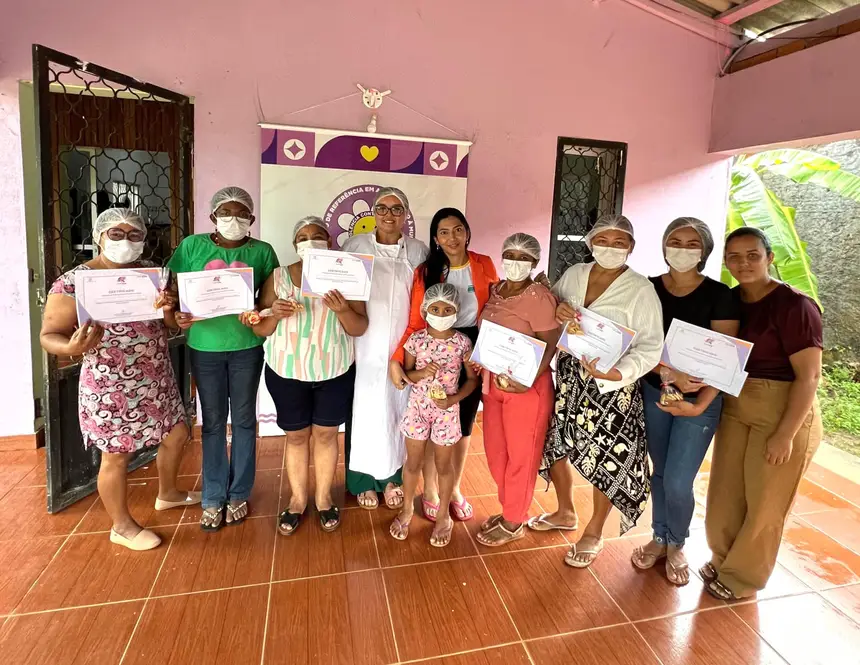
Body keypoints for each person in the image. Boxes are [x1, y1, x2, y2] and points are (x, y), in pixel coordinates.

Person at [40, 208, 199, 551]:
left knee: (177, 433)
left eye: (134, 235)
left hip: (156, 375)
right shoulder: (73, 282)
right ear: (99, 237)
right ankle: (121, 526)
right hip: (108, 382)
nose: (125, 242)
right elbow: (49, 335)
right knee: (116, 455)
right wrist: (71, 345)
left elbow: (170, 324)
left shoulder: (155, 276)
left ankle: (168, 493)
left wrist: (175, 313)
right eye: (116, 234)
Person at [534, 214, 663, 567]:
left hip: (611, 385)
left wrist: (618, 371)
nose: (610, 248)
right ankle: (565, 512)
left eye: (620, 242)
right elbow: (551, 313)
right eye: (603, 241)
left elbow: (651, 347)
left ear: (632, 247)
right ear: (591, 243)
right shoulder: (575, 275)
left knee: (606, 454)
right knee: (558, 440)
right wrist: (558, 309)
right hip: (572, 377)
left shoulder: (640, 289)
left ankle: (593, 530)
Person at [702, 227, 823, 600]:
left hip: (782, 407)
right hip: (737, 404)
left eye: (752, 255)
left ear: (770, 257)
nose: (743, 263)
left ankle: (743, 579)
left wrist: (785, 434)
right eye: (734, 257)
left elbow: (810, 377)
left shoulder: (795, 306)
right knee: (725, 492)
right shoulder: (731, 300)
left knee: (765, 499)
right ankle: (723, 558)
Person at [630, 217, 740, 585]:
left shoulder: (720, 294)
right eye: (675, 241)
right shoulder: (646, 288)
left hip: (700, 401)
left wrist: (698, 403)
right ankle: (659, 537)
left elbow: (726, 361)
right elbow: (636, 340)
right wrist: (667, 373)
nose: (682, 249)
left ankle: (678, 542)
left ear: (705, 251)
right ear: (663, 245)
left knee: (678, 480)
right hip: (654, 390)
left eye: (693, 244)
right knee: (659, 471)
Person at [168, 186, 279, 531]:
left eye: (242, 213)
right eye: (226, 213)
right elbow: (173, 296)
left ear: (252, 219)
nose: (234, 219)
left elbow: (267, 299)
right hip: (205, 347)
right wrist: (178, 316)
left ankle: (239, 493)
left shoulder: (262, 251)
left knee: (245, 420)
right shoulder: (191, 247)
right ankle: (213, 496)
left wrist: (258, 313)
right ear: (213, 216)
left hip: (247, 347)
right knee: (213, 422)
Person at [250, 217, 367, 536]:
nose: (310, 241)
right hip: (287, 373)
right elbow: (259, 329)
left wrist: (343, 310)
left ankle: (324, 497)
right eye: (303, 236)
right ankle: (298, 499)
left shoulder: (348, 274)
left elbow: (359, 327)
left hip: (335, 371)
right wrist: (273, 314)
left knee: (327, 436)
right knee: (297, 437)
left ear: (330, 242)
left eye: (318, 236)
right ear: (295, 245)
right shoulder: (278, 278)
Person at [389, 208, 498, 523]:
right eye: (444, 232)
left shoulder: (484, 264)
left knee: (460, 423)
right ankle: (432, 490)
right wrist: (398, 361)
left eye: (458, 229)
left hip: (472, 347)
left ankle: (455, 489)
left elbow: (497, 307)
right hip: (432, 346)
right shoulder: (426, 271)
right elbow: (414, 322)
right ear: (435, 239)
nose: (453, 237)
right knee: (433, 416)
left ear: (467, 232)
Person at [342, 188, 429, 510]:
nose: (389, 215)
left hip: (405, 344)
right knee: (365, 411)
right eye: (382, 208)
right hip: (364, 343)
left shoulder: (419, 251)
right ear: (373, 213)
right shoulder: (356, 247)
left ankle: (393, 478)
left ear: (406, 214)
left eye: (397, 209)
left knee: (398, 410)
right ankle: (363, 480)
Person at [475, 233, 561, 547]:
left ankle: (514, 520)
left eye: (523, 258)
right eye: (509, 255)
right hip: (492, 385)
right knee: (497, 454)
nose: (515, 263)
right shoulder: (496, 290)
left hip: (527, 389)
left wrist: (528, 379)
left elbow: (550, 343)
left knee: (521, 457)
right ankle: (510, 507)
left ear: (534, 262)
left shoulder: (538, 296)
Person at [390, 283, 479, 546]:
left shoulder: (463, 343)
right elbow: (407, 376)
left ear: (457, 311)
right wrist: (422, 373)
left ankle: (443, 517)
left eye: (447, 309)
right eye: (435, 308)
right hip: (417, 409)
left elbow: (472, 381)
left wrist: (453, 399)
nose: (441, 313)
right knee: (413, 463)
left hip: (447, 413)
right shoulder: (415, 341)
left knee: (443, 466)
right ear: (425, 310)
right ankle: (406, 508)